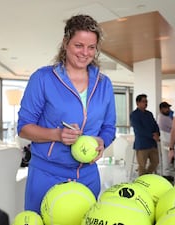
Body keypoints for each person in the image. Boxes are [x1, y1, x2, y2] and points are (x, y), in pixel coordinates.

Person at [17, 14, 116, 214]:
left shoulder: (104, 84)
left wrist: (101, 141)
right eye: (78, 45)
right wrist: (57, 135)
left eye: (91, 47)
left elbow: (109, 127)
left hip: (87, 175)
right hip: (46, 173)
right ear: (65, 43)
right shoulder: (43, 78)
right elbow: (24, 127)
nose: (85, 53)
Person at [130, 94, 160, 176]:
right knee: (142, 166)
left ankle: (147, 176)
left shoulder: (149, 114)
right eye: (143, 101)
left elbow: (155, 125)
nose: (145, 103)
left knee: (156, 162)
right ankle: (142, 182)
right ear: (138, 103)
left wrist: (157, 133)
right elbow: (139, 129)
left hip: (152, 143)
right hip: (142, 144)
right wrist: (152, 135)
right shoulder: (134, 115)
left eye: (146, 101)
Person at [157, 101, 175, 179]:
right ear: (161, 109)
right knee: (166, 158)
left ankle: (168, 173)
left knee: (168, 158)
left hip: (168, 140)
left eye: (168, 108)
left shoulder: (166, 116)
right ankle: (166, 174)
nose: (168, 109)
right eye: (166, 108)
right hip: (166, 141)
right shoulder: (163, 118)